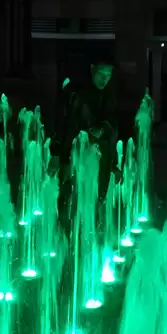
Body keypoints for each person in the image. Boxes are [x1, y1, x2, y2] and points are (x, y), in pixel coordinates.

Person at [50, 59, 121, 224]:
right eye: (101, 74)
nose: (105, 79)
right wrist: (58, 156)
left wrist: (113, 163)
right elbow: (62, 125)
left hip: (99, 160)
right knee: (71, 201)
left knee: (95, 201)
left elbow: (113, 130)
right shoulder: (74, 93)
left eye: (108, 75)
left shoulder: (108, 97)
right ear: (91, 69)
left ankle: (87, 236)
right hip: (74, 159)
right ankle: (69, 239)